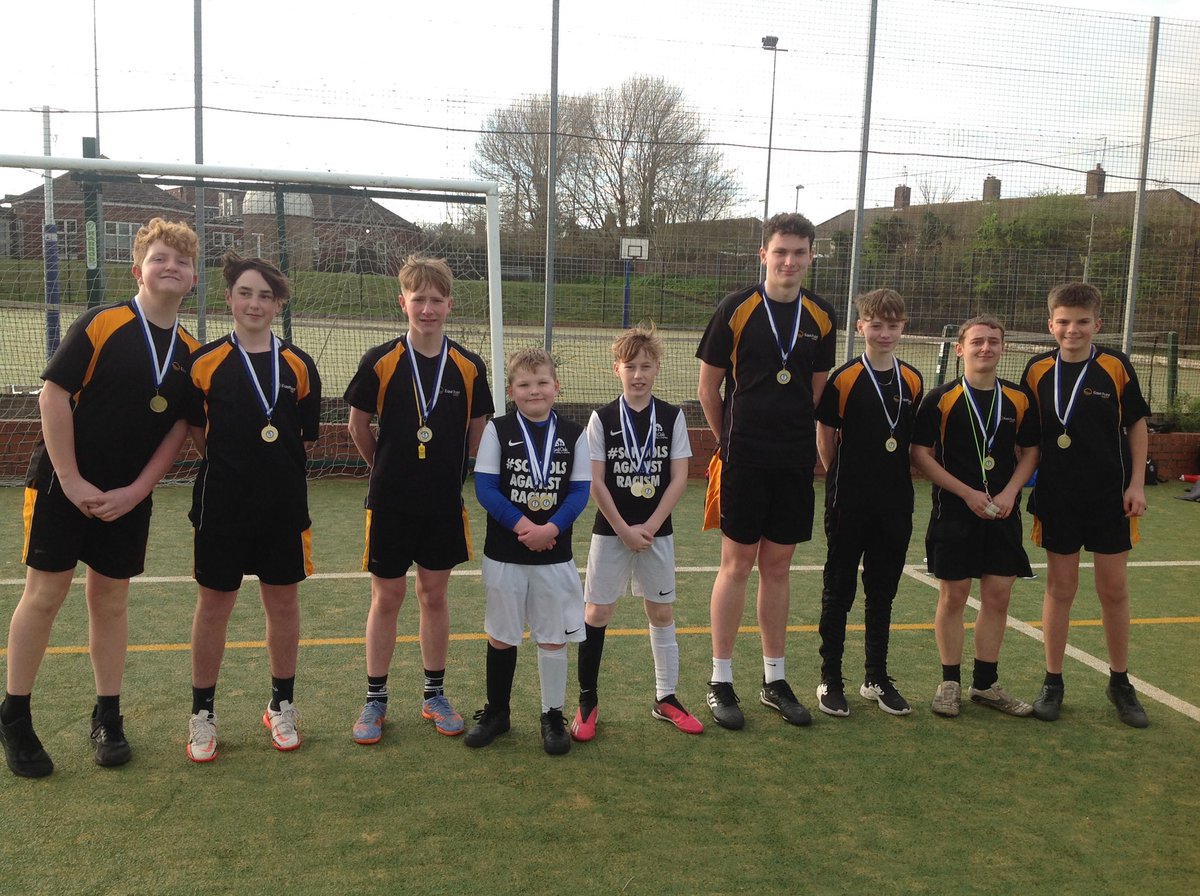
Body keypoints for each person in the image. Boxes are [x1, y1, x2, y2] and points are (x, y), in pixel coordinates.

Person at [0, 218, 200, 778]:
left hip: (126, 498)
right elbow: (53, 396)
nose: (172, 267)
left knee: (110, 600)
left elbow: (178, 429)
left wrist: (137, 491)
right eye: (161, 257)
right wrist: (70, 479)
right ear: (138, 269)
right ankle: (15, 714)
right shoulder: (102, 323)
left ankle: (107, 715)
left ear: (192, 280)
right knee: (45, 595)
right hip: (63, 486)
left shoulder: (189, 350)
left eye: (182, 262)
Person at [344, 255, 493, 744]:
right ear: (402, 301)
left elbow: (478, 429)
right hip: (389, 503)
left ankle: (434, 694)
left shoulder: (469, 366)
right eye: (418, 299)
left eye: (436, 300)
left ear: (449, 304)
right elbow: (358, 426)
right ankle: (375, 699)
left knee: (434, 596)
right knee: (387, 597)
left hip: (442, 505)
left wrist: (451, 471)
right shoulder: (380, 360)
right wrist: (384, 469)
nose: (427, 308)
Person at [696, 212, 836, 730]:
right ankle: (720, 679)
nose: (790, 261)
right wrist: (729, 439)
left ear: (811, 257)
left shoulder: (821, 314)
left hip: (794, 462)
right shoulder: (735, 308)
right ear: (764, 255)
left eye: (800, 252)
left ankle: (774, 679)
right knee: (736, 565)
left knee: (777, 569)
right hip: (744, 459)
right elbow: (709, 389)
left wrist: (798, 440)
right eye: (781, 251)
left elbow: (816, 392)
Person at [184, 253, 322, 762]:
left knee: (282, 606)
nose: (255, 303)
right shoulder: (204, 362)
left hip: (282, 508)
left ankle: (281, 705)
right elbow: (199, 436)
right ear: (229, 298)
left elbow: (301, 435)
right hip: (221, 507)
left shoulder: (299, 366)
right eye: (245, 292)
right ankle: (203, 714)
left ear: (278, 303)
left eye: (266, 295)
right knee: (214, 607)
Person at [1021, 282, 1150, 728]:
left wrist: (1136, 483)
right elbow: (1029, 438)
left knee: (1113, 590)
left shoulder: (1114, 365)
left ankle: (1120, 682)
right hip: (1058, 499)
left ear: (1097, 323)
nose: (1071, 329)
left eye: (1081, 321)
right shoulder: (1037, 369)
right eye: (1063, 321)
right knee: (1061, 589)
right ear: (1050, 323)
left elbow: (1136, 425)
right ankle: (1052, 681)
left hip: (1109, 498)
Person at [571, 324, 703, 742]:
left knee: (660, 613)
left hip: (655, 532)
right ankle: (587, 702)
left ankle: (666, 697)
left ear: (658, 368)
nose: (638, 374)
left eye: (646, 366)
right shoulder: (602, 418)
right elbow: (595, 480)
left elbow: (679, 477)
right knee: (597, 613)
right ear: (617, 369)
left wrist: (648, 525)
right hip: (611, 532)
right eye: (630, 366)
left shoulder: (672, 416)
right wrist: (624, 529)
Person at [910, 315, 1039, 719]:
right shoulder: (940, 398)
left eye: (994, 342)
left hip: (1003, 512)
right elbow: (920, 454)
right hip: (954, 512)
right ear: (961, 348)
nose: (986, 348)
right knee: (955, 596)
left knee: (999, 595)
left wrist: (1008, 492)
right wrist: (966, 493)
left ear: (1003, 348)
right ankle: (949, 681)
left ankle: (985, 683)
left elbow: (1031, 452)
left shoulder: (1018, 399)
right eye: (978, 341)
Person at [466, 348, 590, 755]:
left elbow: (579, 491)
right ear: (510, 390)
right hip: (506, 551)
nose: (533, 390)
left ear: (556, 386)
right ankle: (498, 712)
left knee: (552, 637)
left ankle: (552, 715)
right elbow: (485, 488)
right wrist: (525, 528)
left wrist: (551, 528)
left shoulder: (574, 434)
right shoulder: (497, 430)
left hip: (554, 553)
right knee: (502, 635)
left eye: (541, 383)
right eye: (524, 384)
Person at [814, 289, 923, 717]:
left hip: (895, 503)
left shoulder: (912, 379)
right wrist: (840, 474)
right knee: (838, 590)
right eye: (875, 325)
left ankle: (875, 677)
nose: (884, 333)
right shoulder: (844, 379)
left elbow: (912, 441)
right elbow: (825, 435)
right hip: (848, 500)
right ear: (860, 327)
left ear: (903, 327)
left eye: (892, 325)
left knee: (882, 592)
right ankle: (830, 679)